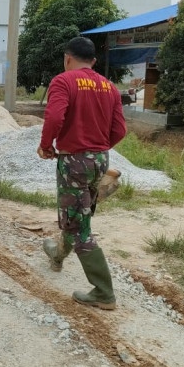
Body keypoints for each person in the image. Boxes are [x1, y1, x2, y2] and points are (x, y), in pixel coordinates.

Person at [37, 36, 126, 310]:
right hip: (100, 160)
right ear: (94, 62)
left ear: (67, 58)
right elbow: (120, 129)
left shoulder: (63, 81)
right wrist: (97, 149)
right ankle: (57, 255)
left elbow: (54, 117)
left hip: (74, 162)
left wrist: (45, 145)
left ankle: (103, 292)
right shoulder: (109, 87)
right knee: (78, 214)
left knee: (79, 225)